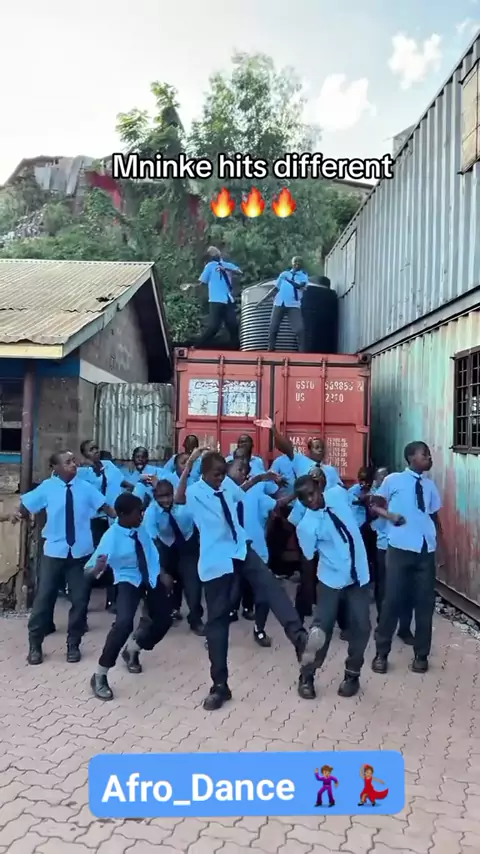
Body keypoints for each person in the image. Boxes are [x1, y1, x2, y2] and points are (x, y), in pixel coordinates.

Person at [175, 449, 325, 710]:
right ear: (204, 473)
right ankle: (219, 686)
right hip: (216, 560)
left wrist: (260, 478)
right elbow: (178, 499)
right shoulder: (196, 492)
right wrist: (189, 465)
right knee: (218, 622)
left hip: (241, 549)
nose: (221, 479)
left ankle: (300, 639)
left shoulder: (225, 486)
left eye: (223, 474)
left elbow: (238, 491)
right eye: (216, 475)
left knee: (272, 587)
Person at [15, 451, 115, 665]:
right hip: (54, 552)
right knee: (44, 599)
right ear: (56, 467)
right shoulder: (47, 488)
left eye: (74, 461)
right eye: (68, 462)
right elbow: (27, 504)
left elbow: (105, 507)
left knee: (80, 600)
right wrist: (19, 513)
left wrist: (123, 518)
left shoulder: (85, 487)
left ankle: (73, 644)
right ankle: (35, 644)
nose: (73, 465)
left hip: (80, 554)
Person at [293, 473, 378, 699]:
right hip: (331, 580)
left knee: (362, 627)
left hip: (358, 577)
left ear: (319, 487)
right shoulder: (306, 526)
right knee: (320, 632)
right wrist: (309, 592)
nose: (310, 500)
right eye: (304, 499)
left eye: (312, 493)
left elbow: (356, 502)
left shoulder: (338, 494)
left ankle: (352, 675)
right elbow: (308, 556)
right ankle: (307, 675)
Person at [86, 492, 174, 701]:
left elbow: (151, 553)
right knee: (124, 623)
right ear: (123, 515)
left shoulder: (140, 529)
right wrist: (98, 568)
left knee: (164, 620)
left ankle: (133, 648)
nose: (142, 515)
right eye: (138, 512)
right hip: (128, 579)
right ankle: (100, 675)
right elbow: (89, 570)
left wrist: (162, 573)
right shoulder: (111, 537)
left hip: (150, 576)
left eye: (142, 511)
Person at [371, 441, 444, 675]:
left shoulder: (430, 486)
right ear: (411, 457)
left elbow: (434, 516)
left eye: (429, 454)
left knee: (424, 604)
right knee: (392, 602)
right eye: (425, 454)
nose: (429, 458)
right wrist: (390, 516)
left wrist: (440, 546)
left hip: (425, 552)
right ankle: (381, 654)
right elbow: (374, 505)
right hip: (400, 549)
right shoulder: (393, 480)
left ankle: (421, 656)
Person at [227, 456, 280, 646]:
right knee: (229, 596)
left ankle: (259, 630)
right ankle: (216, 634)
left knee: (262, 594)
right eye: (239, 469)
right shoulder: (220, 493)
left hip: (255, 549)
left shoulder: (255, 491)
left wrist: (294, 495)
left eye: (245, 470)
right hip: (231, 553)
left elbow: (273, 505)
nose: (243, 473)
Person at [143, 479, 204, 635]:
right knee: (162, 583)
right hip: (165, 547)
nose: (165, 500)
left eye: (168, 495)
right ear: (155, 496)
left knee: (193, 585)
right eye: (161, 497)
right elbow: (151, 541)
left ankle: (195, 619)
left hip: (187, 545)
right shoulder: (151, 512)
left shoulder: (184, 506)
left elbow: (200, 523)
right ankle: (162, 614)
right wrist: (161, 569)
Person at [78, 439, 129, 612]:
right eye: (91, 449)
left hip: (112, 519)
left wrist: (137, 487)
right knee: (92, 560)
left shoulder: (108, 465)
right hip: (94, 520)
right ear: (85, 454)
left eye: (96, 448)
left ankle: (112, 601)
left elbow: (122, 482)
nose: (96, 451)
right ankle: (81, 603)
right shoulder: (82, 472)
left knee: (113, 556)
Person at [194, 246, 242, 348]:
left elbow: (239, 272)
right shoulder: (210, 266)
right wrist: (192, 286)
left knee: (233, 325)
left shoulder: (227, 265)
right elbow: (202, 281)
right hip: (215, 299)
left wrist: (225, 268)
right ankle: (198, 346)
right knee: (214, 327)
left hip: (227, 299)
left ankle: (235, 348)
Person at [268, 256, 309, 352]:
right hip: (279, 303)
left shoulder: (303, 276)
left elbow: (299, 286)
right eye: (295, 262)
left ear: (302, 264)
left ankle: (302, 351)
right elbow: (276, 288)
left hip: (293, 305)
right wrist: (264, 299)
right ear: (292, 263)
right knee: (273, 327)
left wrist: (289, 280)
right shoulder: (284, 274)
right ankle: (270, 349)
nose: (297, 264)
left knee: (299, 329)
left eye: (299, 262)